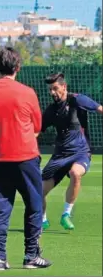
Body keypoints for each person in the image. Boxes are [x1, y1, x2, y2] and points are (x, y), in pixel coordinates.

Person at [0, 47, 52, 270]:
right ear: (18, 67)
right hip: (26, 157)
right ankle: (31, 255)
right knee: (34, 204)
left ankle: (0, 257)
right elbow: (38, 125)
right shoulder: (27, 92)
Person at [41, 72, 102, 231]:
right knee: (38, 192)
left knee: (75, 173)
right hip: (60, 155)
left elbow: (100, 108)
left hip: (81, 152)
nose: (52, 93)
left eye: (55, 88)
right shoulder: (51, 110)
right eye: (50, 90)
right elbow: (36, 130)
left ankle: (66, 214)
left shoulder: (77, 99)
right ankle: (42, 220)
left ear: (64, 87)